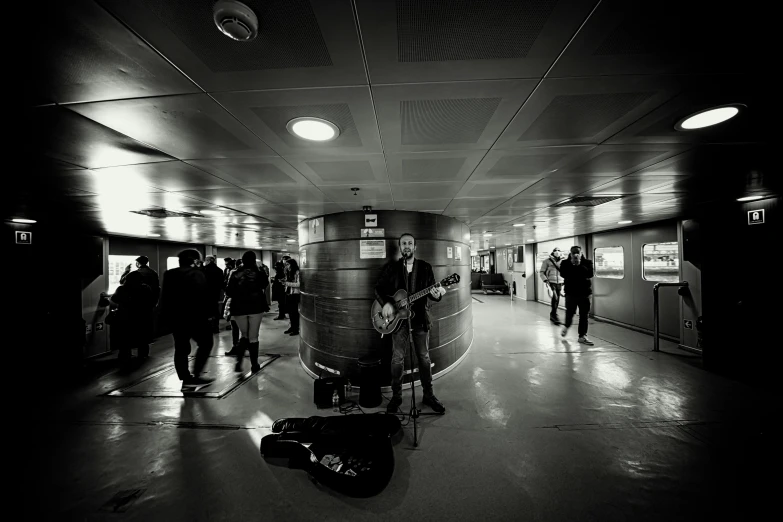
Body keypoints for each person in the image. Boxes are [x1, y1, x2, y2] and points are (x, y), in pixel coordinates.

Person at [375, 233, 446, 414]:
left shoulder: (425, 267)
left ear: (415, 247)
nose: (407, 246)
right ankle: (396, 397)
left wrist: (436, 295)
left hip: (420, 320)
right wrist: (387, 305)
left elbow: (431, 292)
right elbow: (378, 289)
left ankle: (428, 395)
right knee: (397, 359)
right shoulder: (392, 268)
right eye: (404, 243)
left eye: (410, 243)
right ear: (400, 247)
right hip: (398, 323)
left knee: (424, 358)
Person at [159, 249, 215, 390]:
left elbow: (165, 297)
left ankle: (185, 378)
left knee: (181, 348)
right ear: (194, 260)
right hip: (195, 317)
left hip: (176, 318)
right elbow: (203, 295)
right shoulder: (197, 274)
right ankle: (196, 375)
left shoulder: (169, 274)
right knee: (206, 343)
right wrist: (210, 315)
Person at [225, 251, 269, 372]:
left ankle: (239, 361)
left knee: (244, 335)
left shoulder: (234, 273)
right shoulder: (259, 273)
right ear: (254, 260)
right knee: (253, 337)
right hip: (256, 306)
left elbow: (228, 292)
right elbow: (264, 285)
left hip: (239, 307)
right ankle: (254, 365)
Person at [109, 271, 154, 363]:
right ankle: (143, 355)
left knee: (125, 338)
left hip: (126, 317)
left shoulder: (122, 289)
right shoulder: (146, 288)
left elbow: (114, 299)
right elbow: (150, 301)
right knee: (142, 337)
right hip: (142, 317)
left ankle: (125, 356)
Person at [559, 246, 595, 346]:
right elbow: (563, 274)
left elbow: (590, 274)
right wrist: (573, 265)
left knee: (584, 315)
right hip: (571, 293)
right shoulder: (565, 263)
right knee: (570, 312)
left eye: (577, 252)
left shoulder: (587, 262)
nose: (575, 254)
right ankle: (566, 326)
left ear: (581, 252)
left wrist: (579, 265)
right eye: (573, 252)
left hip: (585, 293)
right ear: (570, 253)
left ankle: (582, 336)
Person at [539, 248, 565, 325]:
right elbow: (542, 272)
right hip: (551, 282)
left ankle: (553, 314)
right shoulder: (547, 261)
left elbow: (566, 272)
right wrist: (546, 280)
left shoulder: (564, 261)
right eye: (555, 251)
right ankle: (554, 315)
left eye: (559, 251)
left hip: (560, 282)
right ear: (553, 252)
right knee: (555, 297)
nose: (557, 252)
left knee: (557, 298)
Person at [203, 255, 225, 333]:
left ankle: (208, 328)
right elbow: (222, 284)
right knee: (215, 310)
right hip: (216, 294)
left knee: (206, 311)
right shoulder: (219, 270)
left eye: (205, 260)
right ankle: (216, 327)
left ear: (209, 261)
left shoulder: (204, 270)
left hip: (205, 294)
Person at [283, 258, 301, 336]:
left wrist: (287, 283)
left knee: (294, 312)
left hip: (295, 294)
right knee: (290, 312)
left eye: (288, 264)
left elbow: (298, 284)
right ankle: (292, 327)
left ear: (292, 264)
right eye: (286, 265)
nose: (286, 266)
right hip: (289, 293)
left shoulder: (297, 272)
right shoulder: (288, 272)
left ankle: (295, 329)